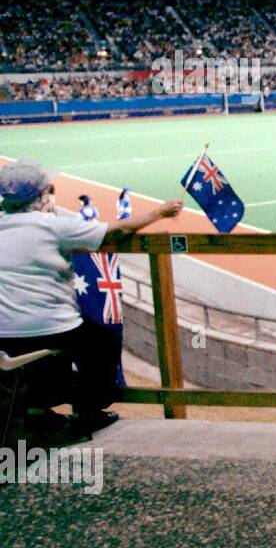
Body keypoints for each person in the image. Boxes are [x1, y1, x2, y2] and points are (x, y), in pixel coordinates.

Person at [0, 160, 183, 435]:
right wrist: (160, 212)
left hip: (4, 333)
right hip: (53, 328)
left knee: (39, 357)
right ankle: (88, 411)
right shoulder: (51, 226)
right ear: (40, 196)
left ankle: (37, 409)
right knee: (103, 342)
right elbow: (116, 231)